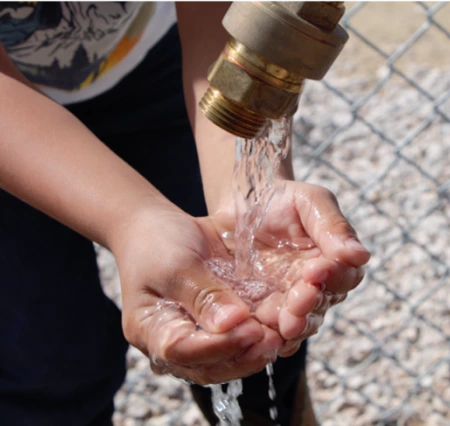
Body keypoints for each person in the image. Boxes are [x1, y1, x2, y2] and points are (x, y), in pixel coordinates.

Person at [0, 1, 370, 425]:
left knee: (256, 326)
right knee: (42, 366)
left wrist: (249, 196)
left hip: (159, 63)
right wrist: (133, 222)